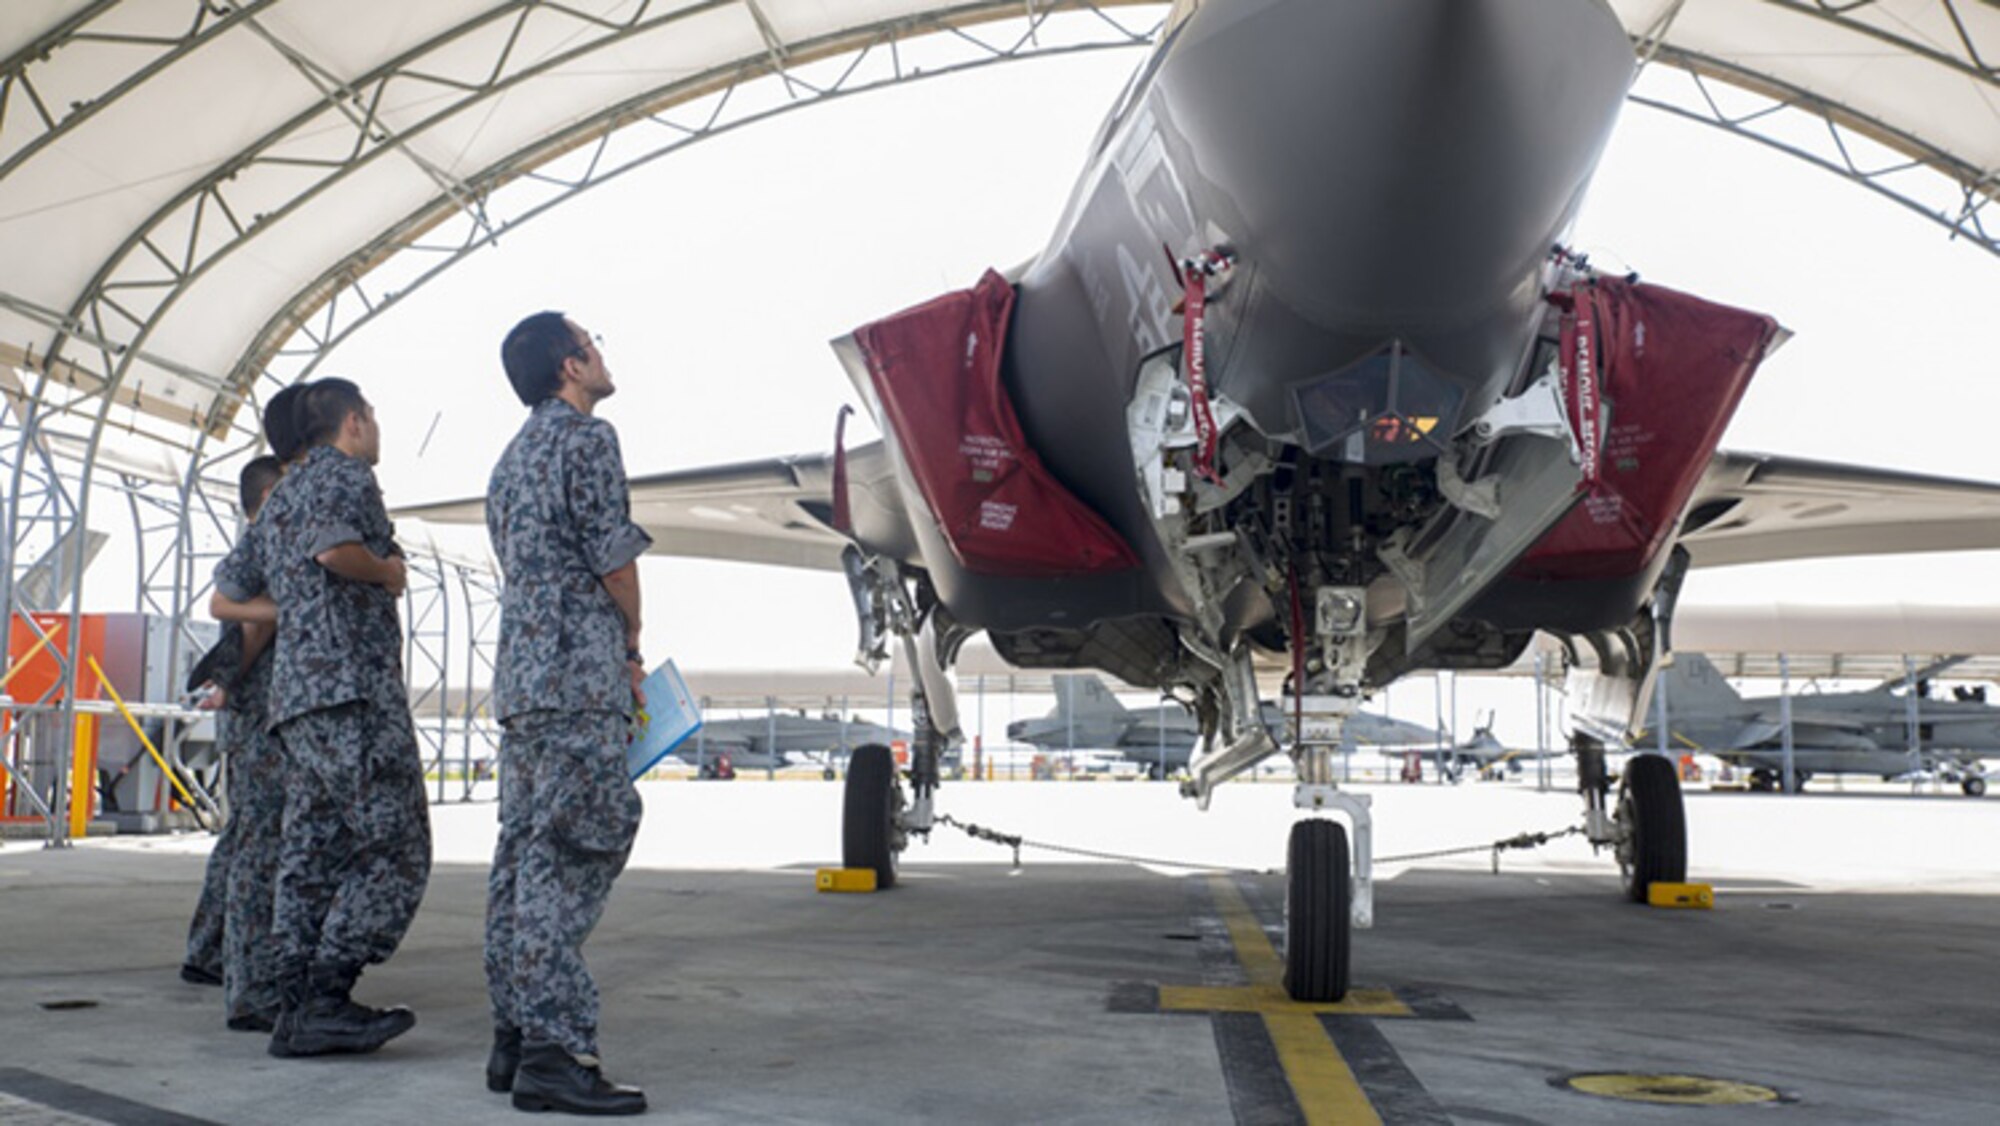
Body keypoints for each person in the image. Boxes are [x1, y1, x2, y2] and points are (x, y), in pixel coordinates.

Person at [211, 378, 432, 1059]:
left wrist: (295, 616)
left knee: (308, 854)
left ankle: (294, 1001)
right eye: (372, 415)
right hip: (351, 698)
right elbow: (338, 552)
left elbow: (226, 594)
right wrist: (388, 573)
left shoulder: (278, 501)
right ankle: (328, 992)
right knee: (396, 846)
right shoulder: (346, 475)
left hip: (297, 705)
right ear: (354, 423)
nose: (376, 428)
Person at [483, 312, 650, 1115]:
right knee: (577, 844)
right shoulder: (589, 439)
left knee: (520, 852)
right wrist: (631, 637)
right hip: (579, 680)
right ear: (569, 365)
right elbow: (612, 556)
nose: (602, 354)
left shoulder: (508, 463)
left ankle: (513, 1036)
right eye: (593, 343)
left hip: (522, 683)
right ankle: (554, 1051)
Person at [179, 383, 311, 1001]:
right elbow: (246, 619)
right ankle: (247, 970)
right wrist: (294, 610)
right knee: (261, 841)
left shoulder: (263, 544)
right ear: (268, 495)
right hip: (259, 714)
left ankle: (211, 951)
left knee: (245, 837)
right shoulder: (265, 544)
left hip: (256, 711)